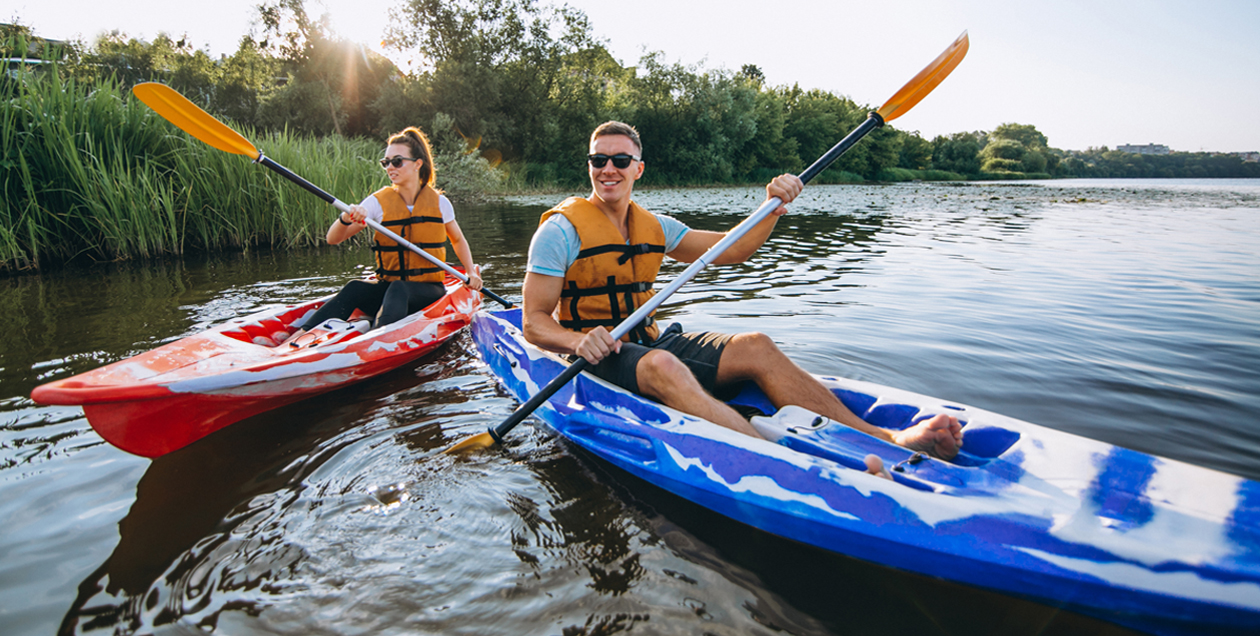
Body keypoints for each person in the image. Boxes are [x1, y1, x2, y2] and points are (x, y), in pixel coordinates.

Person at [521, 121, 962, 462]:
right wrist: (578, 339)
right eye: (598, 160)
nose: (608, 170)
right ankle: (776, 459)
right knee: (663, 365)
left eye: (620, 160)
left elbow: (734, 249)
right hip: (594, 357)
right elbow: (534, 322)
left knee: (756, 345)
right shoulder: (561, 230)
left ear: (638, 168)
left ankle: (889, 439)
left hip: (649, 341)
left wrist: (773, 206)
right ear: (590, 167)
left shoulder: (656, 226)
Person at [285, 126, 483, 344]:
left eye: (397, 161)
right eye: (385, 162)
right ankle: (297, 338)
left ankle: (375, 341)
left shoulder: (439, 203)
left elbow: (457, 239)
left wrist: (471, 272)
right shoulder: (377, 202)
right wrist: (346, 218)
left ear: (418, 163)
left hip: (428, 291)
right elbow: (333, 239)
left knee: (400, 288)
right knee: (355, 287)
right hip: (389, 288)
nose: (390, 167)